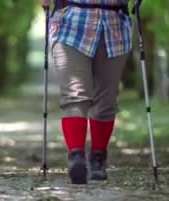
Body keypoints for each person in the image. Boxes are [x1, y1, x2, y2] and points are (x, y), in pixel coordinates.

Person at [41, 0, 132, 184]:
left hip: (115, 26)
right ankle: (76, 157)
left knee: (106, 100)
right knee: (75, 94)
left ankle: (98, 158)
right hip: (70, 22)